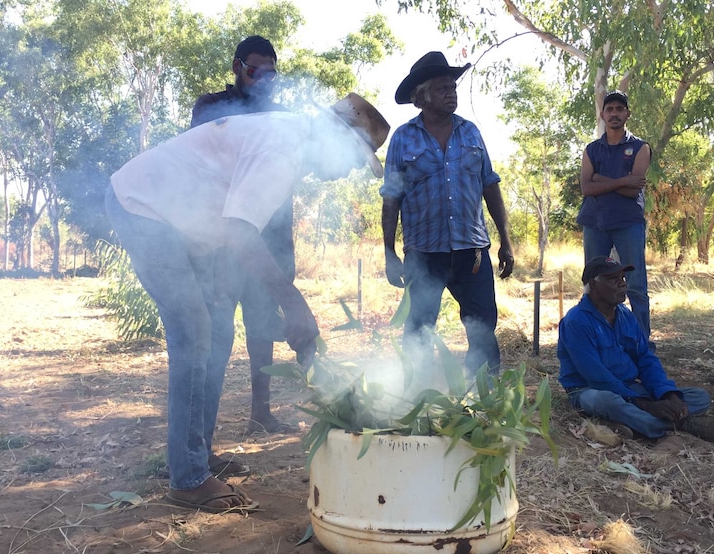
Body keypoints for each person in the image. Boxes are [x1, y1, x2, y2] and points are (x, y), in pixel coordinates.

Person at [106, 94, 390, 513]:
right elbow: (240, 231)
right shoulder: (282, 149)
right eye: (352, 159)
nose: (348, 171)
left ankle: (196, 457)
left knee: (217, 326)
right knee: (193, 330)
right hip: (143, 209)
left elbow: (226, 215)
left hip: (177, 223)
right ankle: (187, 479)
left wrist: (232, 285)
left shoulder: (285, 140)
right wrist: (292, 302)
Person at [380, 51, 514, 376]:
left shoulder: (470, 133)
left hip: (473, 253)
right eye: (442, 88)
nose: (451, 92)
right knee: (419, 329)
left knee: (482, 327)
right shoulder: (403, 138)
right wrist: (389, 253)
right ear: (421, 96)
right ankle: (416, 395)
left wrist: (505, 241)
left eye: (452, 86)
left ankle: (483, 398)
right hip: (424, 254)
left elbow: (490, 185)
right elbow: (391, 198)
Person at [192, 35, 295, 434]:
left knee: (262, 324)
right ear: (237, 68)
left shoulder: (283, 116)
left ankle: (261, 414)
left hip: (271, 235)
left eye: (271, 73)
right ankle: (204, 429)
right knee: (218, 329)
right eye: (255, 71)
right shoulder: (211, 107)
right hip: (223, 236)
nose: (263, 80)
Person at [557, 256, 714, 442]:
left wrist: (667, 395)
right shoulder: (576, 321)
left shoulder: (625, 315)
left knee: (700, 397)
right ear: (594, 284)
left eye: (623, 278)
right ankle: (678, 424)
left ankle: (629, 423)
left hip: (631, 389)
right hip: (590, 390)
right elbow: (597, 377)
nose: (622, 284)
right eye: (613, 279)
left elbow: (645, 358)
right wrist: (647, 405)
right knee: (605, 401)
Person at [577, 90, 653, 340]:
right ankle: (595, 339)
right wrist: (622, 180)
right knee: (594, 284)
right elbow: (586, 188)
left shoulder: (640, 147)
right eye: (609, 109)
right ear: (602, 114)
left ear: (627, 114)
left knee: (635, 286)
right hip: (595, 223)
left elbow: (634, 191)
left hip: (628, 223)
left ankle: (642, 344)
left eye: (620, 109)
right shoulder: (592, 150)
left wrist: (600, 178)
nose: (614, 114)